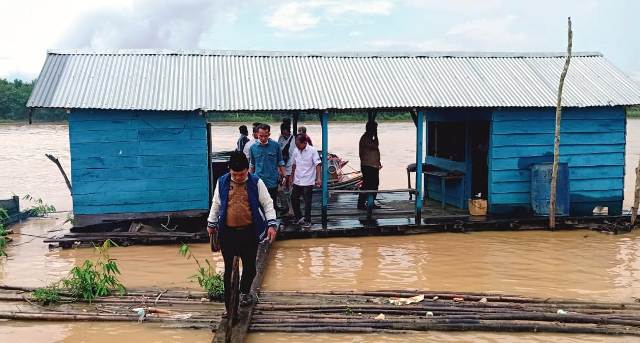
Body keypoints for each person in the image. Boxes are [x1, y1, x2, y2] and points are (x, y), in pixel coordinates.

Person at [206, 151, 277, 315]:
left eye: (242, 174)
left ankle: (244, 292)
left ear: (247, 170)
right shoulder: (222, 182)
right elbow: (216, 204)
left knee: (251, 268)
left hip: (249, 233)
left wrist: (271, 225)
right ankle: (230, 307)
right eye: (235, 174)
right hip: (227, 233)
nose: (238, 177)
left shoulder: (256, 182)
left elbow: (267, 204)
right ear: (229, 170)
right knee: (229, 270)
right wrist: (211, 223)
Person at [250, 124, 286, 206]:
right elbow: (252, 165)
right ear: (257, 134)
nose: (263, 138)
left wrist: (285, 176)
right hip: (258, 181)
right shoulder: (253, 148)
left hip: (272, 181)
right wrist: (249, 179)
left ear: (269, 134)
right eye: (260, 136)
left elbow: (280, 162)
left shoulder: (275, 145)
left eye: (265, 136)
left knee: (272, 204)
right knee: (259, 205)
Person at [291, 134, 321, 228]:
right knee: (293, 198)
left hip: (308, 180)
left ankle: (308, 220)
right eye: (296, 144)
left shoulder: (312, 150)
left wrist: (318, 178)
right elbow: (294, 165)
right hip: (297, 179)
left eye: (298, 144)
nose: (297, 146)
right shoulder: (296, 150)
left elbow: (318, 165)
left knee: (307, 201)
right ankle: (299, 217)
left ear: (305, 142)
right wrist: (292, 177)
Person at [358, 120, 382, 210]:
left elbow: (376, 146)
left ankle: (371, 202)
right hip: (368, 165)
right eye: (375, 128)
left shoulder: (370, 137)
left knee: (374, 184)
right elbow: (375, 146)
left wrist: (375, 135)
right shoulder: (365, 138)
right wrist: (375, 135)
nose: (376, 130)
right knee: (367, 185)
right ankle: (361, 203)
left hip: (373, 165)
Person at [278, 120, 295, 188]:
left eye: (285, 132)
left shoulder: (293, 138)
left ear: (288, 131)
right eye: (283, 132)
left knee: (289, 179)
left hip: (290, 162)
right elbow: (278, 149)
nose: (284, 134)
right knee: (283, 179)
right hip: (283, 162)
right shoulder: (281, 138)